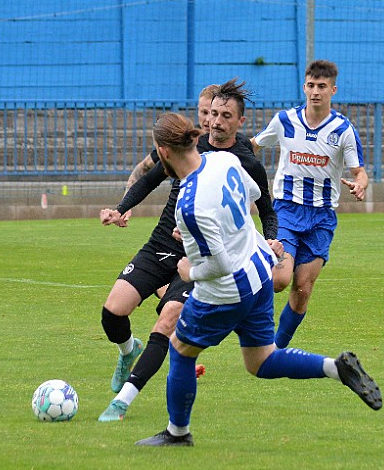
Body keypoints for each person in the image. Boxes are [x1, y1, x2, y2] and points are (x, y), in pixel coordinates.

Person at [135, 112, 381, 447]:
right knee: (261, 360)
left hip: (225, 292)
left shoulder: (188, 204)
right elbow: (249, 195)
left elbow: (218, 265)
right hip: (259, 272)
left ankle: (178, 433)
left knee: (179, 348)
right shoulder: (222, 160)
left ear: (163, 152)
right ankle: (335, 368)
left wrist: (188, 271)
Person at [97, 80, 279, 422]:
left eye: (223, 114)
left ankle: (121, 402)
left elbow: (265, 209)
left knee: (167, 322)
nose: (214, 121)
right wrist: (122, 207)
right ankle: (127, 350)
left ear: (239, 120)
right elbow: (149, 178)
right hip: (163, 243)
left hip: (199, 254)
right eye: (209, 114)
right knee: (112, 312)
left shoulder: (242, 160)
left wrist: (268, 238)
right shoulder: (188, 148)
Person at [250, 59, 369, 349]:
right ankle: (247, 305)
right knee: (279, 280)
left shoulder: (343, 129)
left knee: (302, 288)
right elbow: (253, 144)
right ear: (304, 87)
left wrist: (361, 185)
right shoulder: (284, 121)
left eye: (322, 86)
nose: (316, 91)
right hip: (286, 211)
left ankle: (276, 349)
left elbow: (360, 172)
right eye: (311, 86)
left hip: (321, 218)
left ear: (333, 90)